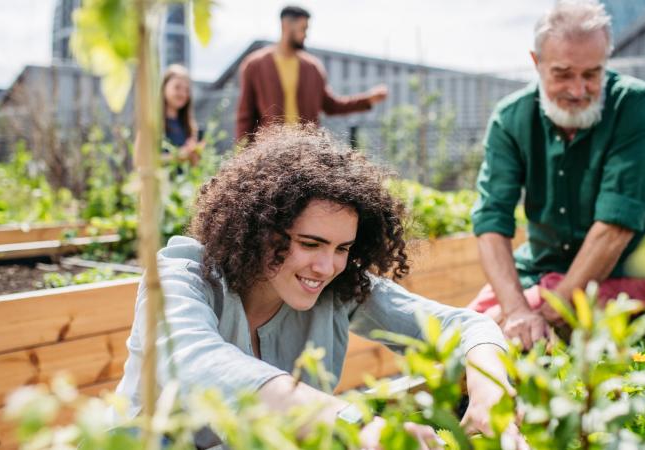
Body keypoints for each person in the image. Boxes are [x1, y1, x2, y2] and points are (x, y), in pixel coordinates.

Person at [114, 126, 520, 448]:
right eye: (309, 244)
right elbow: (195, 364)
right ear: (259, 228)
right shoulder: (180, 278)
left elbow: (465, 326)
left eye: (342, 248)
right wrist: (350, 422)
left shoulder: (340, 287)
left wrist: (491, 389)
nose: (326, 267)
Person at [469, 0, 645, 350]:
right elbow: (491, 222)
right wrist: (515, 309)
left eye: (592, 74)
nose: (578, 90)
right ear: (536, 63)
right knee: (471, 330)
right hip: (538, 268)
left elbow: (615, 228)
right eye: (562, 73)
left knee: (504, 340)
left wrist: (548, 310)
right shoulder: (510, 119)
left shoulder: (633, 105)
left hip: (618, 272)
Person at [235, 5, 388, 144]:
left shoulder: (312, 68)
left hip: (307, 151)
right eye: (303, 28)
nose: (306, 35)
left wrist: (367, 99)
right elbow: (246, 114)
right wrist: (242, 151)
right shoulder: (254, 65)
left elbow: (331, 105)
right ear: (286, 25)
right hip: (270, 152)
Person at [161, 64, 204, 166]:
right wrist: (179, 156)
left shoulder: (190, 126)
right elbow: (140, 161)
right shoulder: (152, 123)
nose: (183, 94)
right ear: (164, 88)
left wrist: (194, 154)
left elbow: (194, 167)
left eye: (186, 90)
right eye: (177, 87)